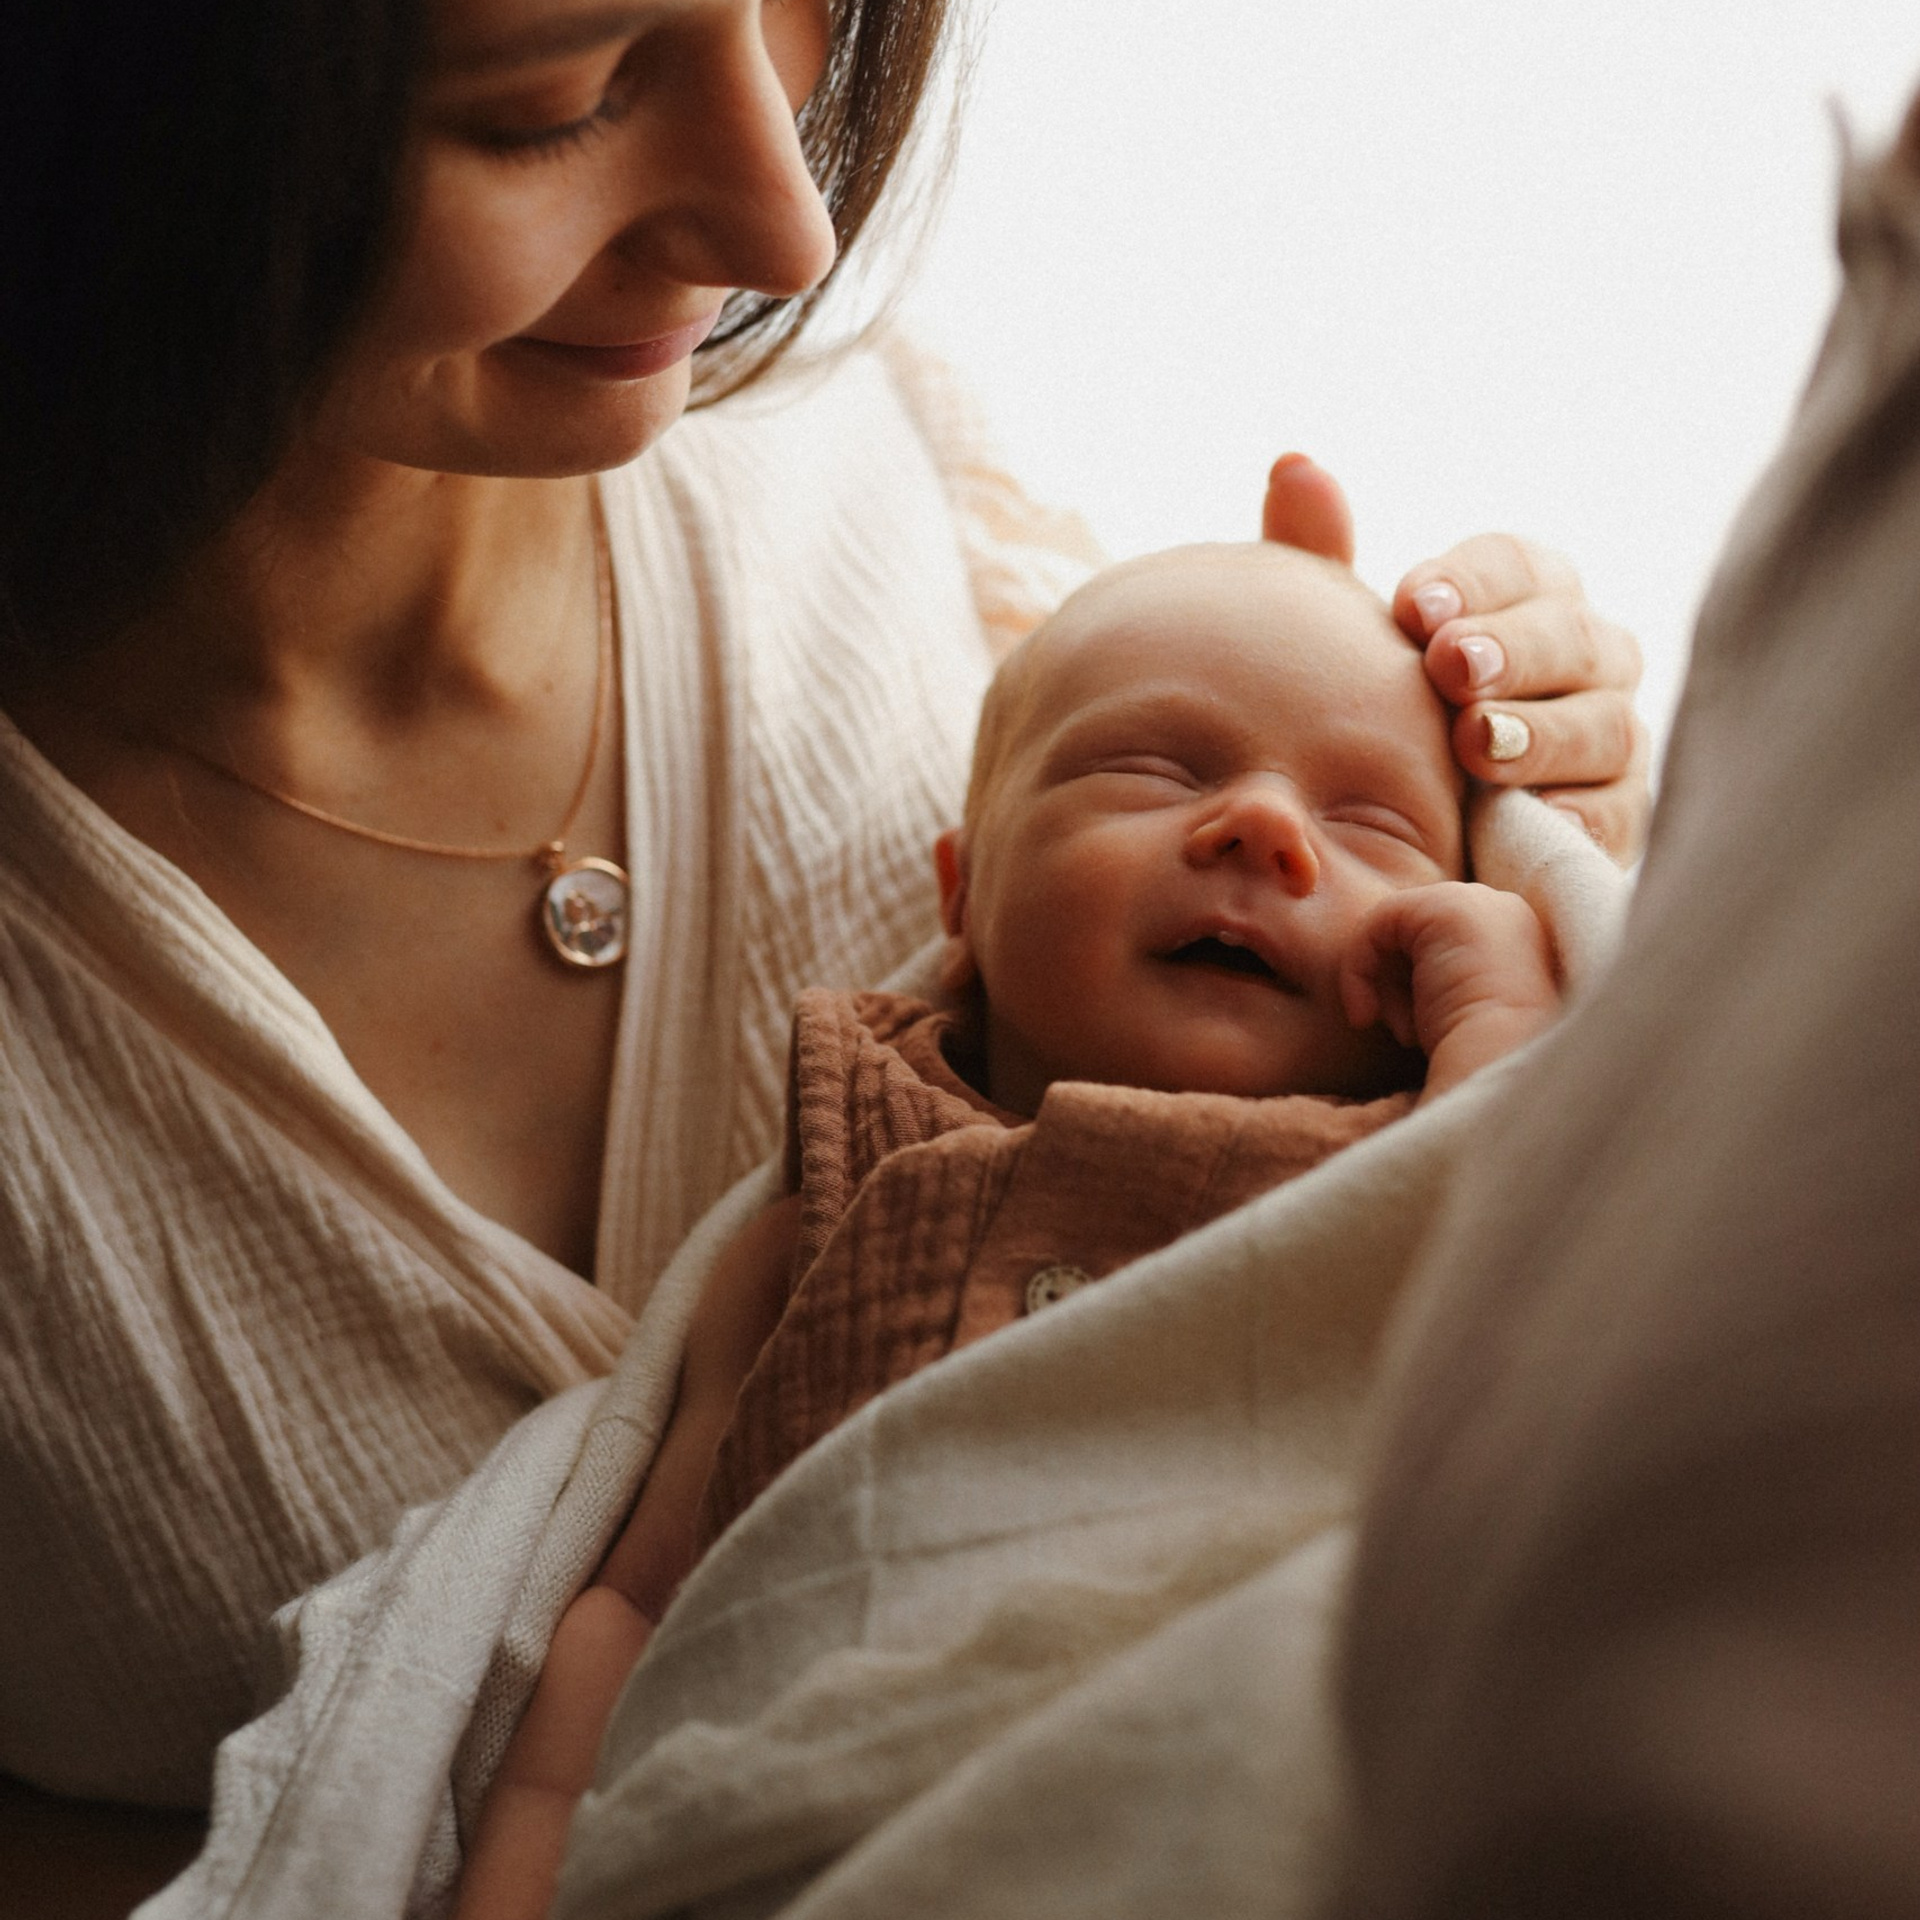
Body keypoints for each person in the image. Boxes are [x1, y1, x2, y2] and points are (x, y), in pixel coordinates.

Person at [0, 0, 1644, 1901]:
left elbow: (1578, 1315)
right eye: (554, 103)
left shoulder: (894, 491)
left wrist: (1542, 877)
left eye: (803, 13)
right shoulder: (834, 1211)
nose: (791, 234)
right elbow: (619, 1635)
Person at [452, 540, 1564, 1920]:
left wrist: (1508, 1023)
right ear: (963, 894)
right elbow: (637, 1611)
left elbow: (1538, 1295)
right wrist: (530, 1863)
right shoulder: (841, 1194)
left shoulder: (1403, 1158)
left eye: (1373, 826)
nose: (1265, 827)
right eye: (1152, 771)